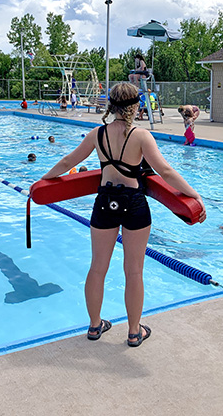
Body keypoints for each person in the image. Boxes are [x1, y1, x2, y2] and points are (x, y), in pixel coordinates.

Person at [39, 82, 206, 347]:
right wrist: (194, 195)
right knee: (134, 271)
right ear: (135, 106)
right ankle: (133, 331)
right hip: (134, 204)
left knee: (97, 268)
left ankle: (95, 327)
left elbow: (68, 163)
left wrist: (40, 182)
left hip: (105, 202)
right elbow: (165, 172)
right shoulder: (141, 136)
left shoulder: (97, 134)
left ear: (112, 106)